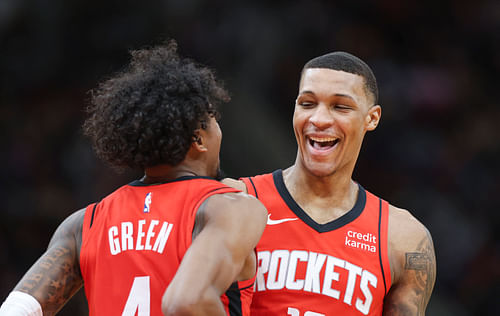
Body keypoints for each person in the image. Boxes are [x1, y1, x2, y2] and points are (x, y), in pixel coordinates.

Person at [0, 40, 267, 316]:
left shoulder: (82, 225)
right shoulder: (228, 208)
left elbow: (15, 311)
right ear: (198, 139)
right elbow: (188, 301)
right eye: (214, 119)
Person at [223, 52, 436, 315]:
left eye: (340, 107)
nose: (319, 119)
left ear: (372, 118)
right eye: (308, 103)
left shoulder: (403, 239)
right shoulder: (234, 200)